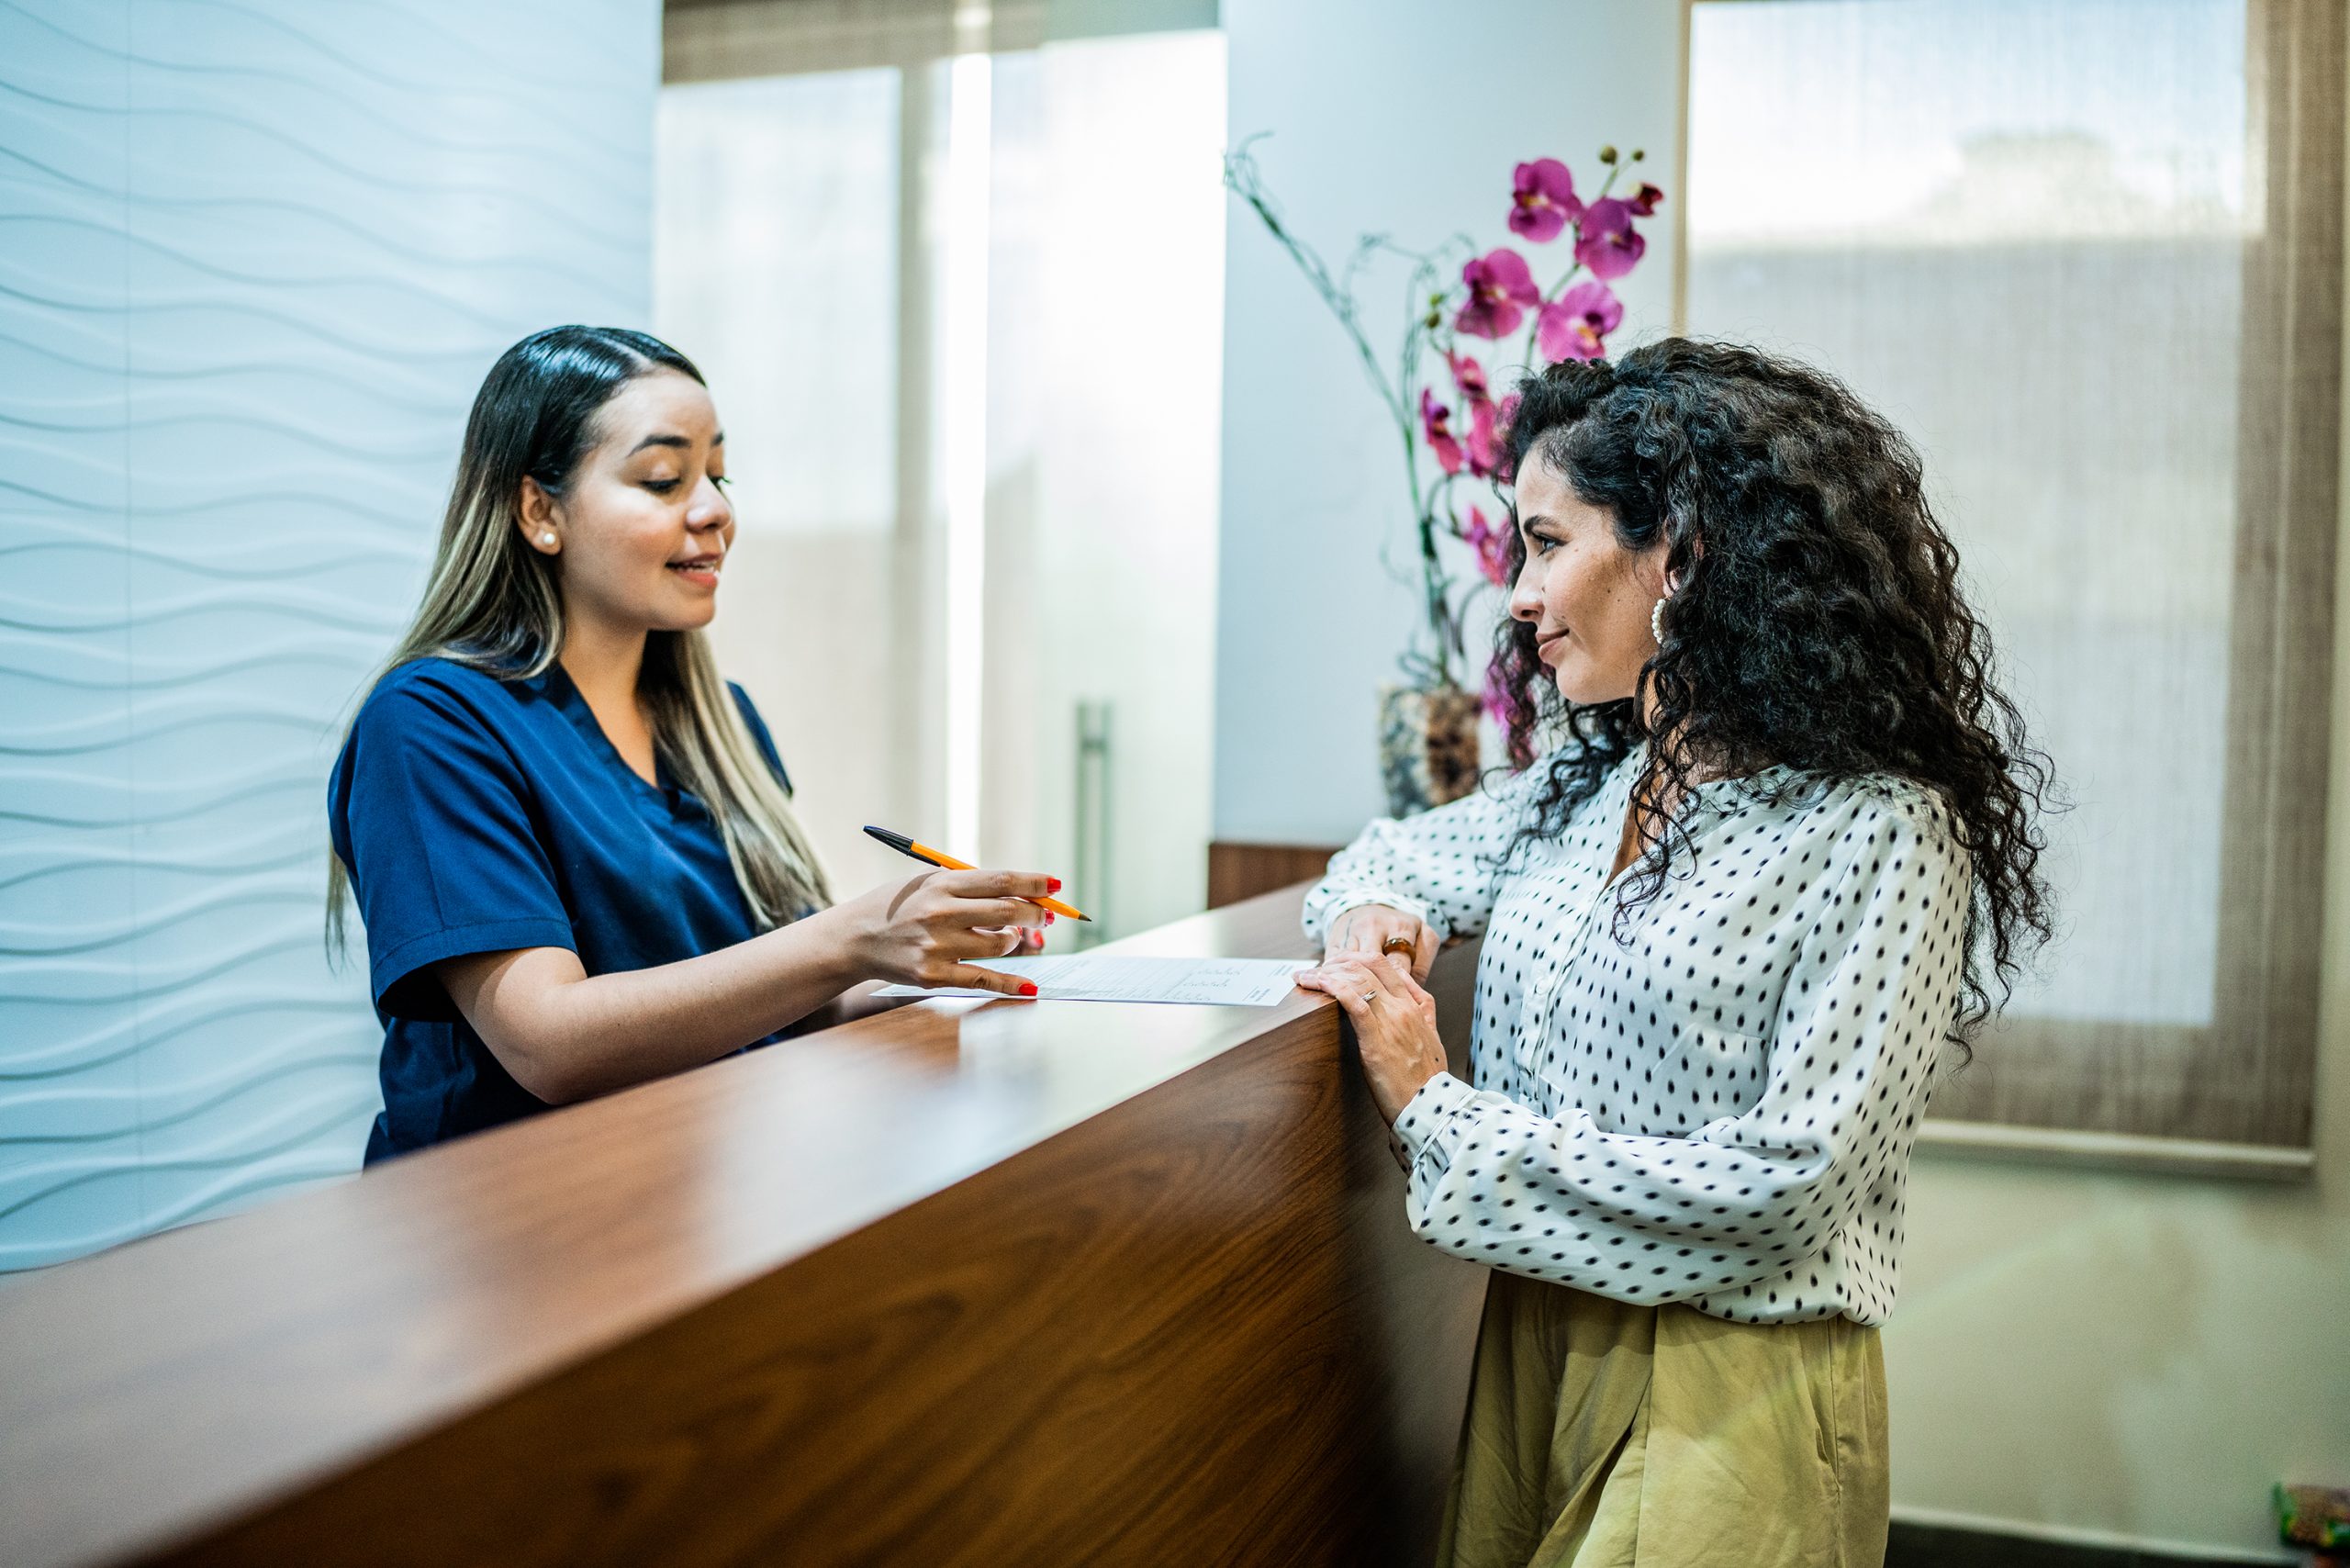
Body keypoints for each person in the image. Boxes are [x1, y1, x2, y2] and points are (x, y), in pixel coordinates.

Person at [1297, 340, 2054, 1568]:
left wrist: (1439, 1113)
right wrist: (1364, 922)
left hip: (1723, 1383)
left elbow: (1790, 1188)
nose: (1520, 597)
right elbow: (1388, 859)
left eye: (1547, 544)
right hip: (1533, 1338)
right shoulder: (1601, 784)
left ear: (1683, 553)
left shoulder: (1881, 828)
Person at [329, 326, 1054, 1163]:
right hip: (507, 1234)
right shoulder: (433, 722)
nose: (714, 510)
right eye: (665, 478)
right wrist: (847, 940)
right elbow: (547, 1044)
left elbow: (772, 1006)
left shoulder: (722, 726)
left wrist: (925, 971)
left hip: (705, 1195)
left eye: (718, 474)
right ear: (540, 512)